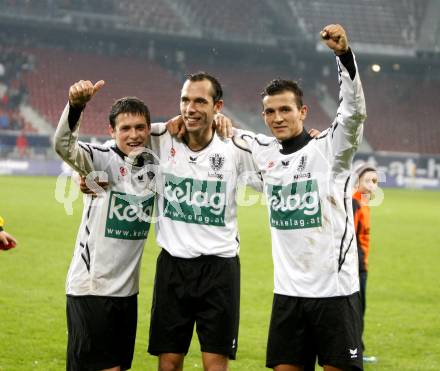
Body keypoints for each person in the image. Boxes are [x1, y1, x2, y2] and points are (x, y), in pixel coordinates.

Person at [231, 24, 366, 370]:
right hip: (288, 295)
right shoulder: (264, 158)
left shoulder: (330, 151)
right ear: (263, 115)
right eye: (270, 112)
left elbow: (352, 114)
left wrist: (344, 57)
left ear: (302, 112)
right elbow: (225, 143)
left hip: (334, 293)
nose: (277, 118)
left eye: (285, 110)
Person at [146, 72, 261, 371]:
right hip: (173, 266)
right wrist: (85, 176)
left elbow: (280, 160)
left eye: (200, 101)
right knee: (169, 362)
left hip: (219, 269)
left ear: (217, 106)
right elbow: (119, 143)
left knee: (215, 363)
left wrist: (311, 139)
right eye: (185, 100)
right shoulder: (160, 138)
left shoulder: (234, 145)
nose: (190, 108)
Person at [54, 79, 156, 371]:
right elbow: (64, 146)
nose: (134, 135)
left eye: (140, 128)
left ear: (149, 129)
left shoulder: (154, 167)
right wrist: (76, 106)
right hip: (91, 288)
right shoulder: (101, 159)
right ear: (111, 131)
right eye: (125, 128)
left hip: (126, 292)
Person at [352, 164, 378, 364]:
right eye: (368, 180)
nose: (372, 186)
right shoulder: (354, 203)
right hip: (354, 267)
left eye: (375, 182)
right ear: (357, 181)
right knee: (355, 310)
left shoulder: (362, 203)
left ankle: (356, 351)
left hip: (361, 265)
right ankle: (354, 353)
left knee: (359, 309)